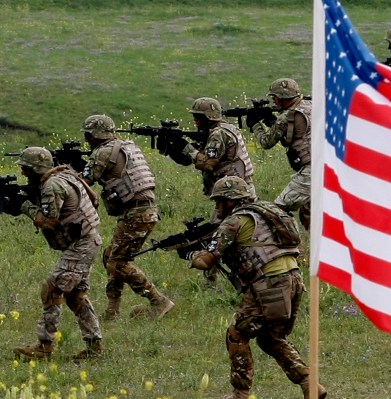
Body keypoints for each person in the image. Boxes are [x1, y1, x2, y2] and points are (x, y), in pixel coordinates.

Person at [185, 176, 326, 399]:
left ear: (230, 201)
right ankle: (310, 385)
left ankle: (240, 396)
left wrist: (191, 256)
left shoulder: (235, 221)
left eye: (220, 202)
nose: (218, 207)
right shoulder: (270, 211)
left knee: (237, 333)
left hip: (270, 284)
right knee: (270, 338)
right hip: (293, 281)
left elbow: (208, 260)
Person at [12, 146, 104, 361]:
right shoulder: (65, 175)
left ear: (36, 168)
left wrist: (24, 206)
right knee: (75, 295)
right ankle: (94, 346)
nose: (23, 173)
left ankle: (44, 347)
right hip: (87, 242)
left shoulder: (52, 185)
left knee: (52, 290)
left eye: (26, 169)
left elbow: (50, 221)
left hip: (80, 245)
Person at [80, 114, 175, 321]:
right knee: (111, 256)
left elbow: (82, 184)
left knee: (117, 262)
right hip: (143, 210)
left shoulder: (103, 153)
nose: (87, 141)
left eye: (88, 136)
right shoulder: (126, 146)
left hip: (137, 213)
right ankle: (112, 310)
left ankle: (158, 300)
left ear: (94, 135)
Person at [164, 97, 256, 283]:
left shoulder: (218, 134)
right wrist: (175, 149)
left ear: (208, 117)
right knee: (220, 233)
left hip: (234, 194)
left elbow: (207, 164)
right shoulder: (226, 129)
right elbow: (196, 158)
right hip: (235, 191)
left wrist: (185, 146)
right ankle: (212, 278)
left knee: (222, 234)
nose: (195, 121)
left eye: (198, 117)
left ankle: (230, 275)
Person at [246, 77, 312, 228]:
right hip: (327, 167)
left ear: (282, 99)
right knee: (309, 214)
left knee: (277, 210)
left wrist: (255, 124)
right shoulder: (310, 105)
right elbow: (294, 135)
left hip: (310, 172)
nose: (274, 101)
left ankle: (290, 246)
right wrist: (272, 121)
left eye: (275, 98)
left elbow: (266, 142)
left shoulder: (286, 117)